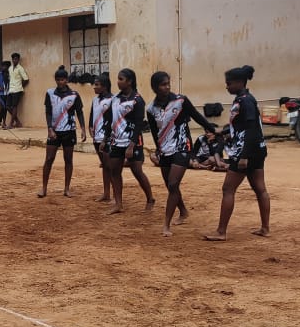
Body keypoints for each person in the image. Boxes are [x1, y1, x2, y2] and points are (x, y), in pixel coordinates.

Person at [146, 71, 217, 237]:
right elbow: (156, 131)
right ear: (155, 87)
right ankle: (183, 211)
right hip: (164, 149)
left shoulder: (181, 101)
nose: (167, 87)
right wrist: (158, 148)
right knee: (171, 185)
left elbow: (197, 116)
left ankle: (166, 225)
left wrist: (212, 129)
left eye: (168, 83)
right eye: (163, 84)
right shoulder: (150, 109)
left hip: (182, 146)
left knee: (172, 184)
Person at [205, 66, 271, 241]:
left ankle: (221, 231)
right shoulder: (243, 99)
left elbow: (251, 129)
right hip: (256, 149)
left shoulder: (245, 101)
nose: (226, 86)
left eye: (229, 83)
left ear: (240, 82)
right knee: (259, 188)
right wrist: (223, 132)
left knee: (228, 188)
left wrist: (243, 156)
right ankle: (265, 227)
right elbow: (241, 126)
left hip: (246, 151)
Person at [103, 68, 155, 214]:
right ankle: (118, 204)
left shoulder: (137, 100)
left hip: (133, 141)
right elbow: (109, 120)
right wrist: (105, 139)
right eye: (118, 79)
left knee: (137, 170)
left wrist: (131, 146)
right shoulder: (114, 99)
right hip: (116, 141)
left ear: (130, 81)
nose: (118, 82)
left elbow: (139, 124)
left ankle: (150, 198)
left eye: (121, 79)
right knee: (115, 171)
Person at [38, 66, 87, 198]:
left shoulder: (74, 95)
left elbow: (80, 112)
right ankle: (44, 188)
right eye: (58, 80)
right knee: (49, 159)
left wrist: (83, 128)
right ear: (55, 80)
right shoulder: (50, 93)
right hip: (54, 131)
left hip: (69, 131)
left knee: (68, 159)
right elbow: (48, 112)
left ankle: (67, 188)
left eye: (63, 79)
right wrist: (49, 128)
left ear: (67, 80)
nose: (60, 82)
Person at [89, 74, 116, 203]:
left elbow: (113, 119)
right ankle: (106, 193)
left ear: (104, 86)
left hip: (107, 136)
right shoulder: (95, 100)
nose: (94, 87)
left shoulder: (113, 99)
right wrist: (90, 126)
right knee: (105, 165)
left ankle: (116, 194)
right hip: (97, 136)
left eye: (97, 85)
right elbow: (92, 113)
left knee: (110, 166)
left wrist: (107, 135)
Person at [6, 53, 28, 129]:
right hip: (11, 90)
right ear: (12, 60)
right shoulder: (10, 68)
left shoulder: (20, 68)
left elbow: (26, 79)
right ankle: (18, 122)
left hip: (17, 90)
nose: (15, 60)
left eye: (16, 59)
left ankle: (11, 124)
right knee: (8, 106)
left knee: (14, 106)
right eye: (13, 59)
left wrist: (20, 86)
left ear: (18, 60)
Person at [0, 61, 11, 129]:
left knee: (6, 108)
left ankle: (4, 123)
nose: (4, 67)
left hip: (7, 94)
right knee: (2, 108)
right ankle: (0, 122)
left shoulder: (9, 74)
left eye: (6, 66)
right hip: (1, 95)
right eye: (3, 66)